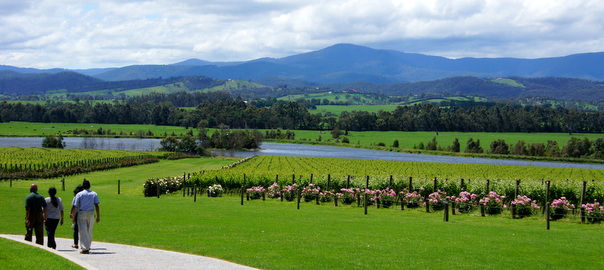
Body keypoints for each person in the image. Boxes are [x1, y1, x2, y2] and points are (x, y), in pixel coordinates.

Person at [71, 180, 100, 254]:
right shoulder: (94, 194)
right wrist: (98, 216)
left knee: (83, 230)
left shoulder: (79, 194)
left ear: (83, 187)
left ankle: (85, 248)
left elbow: (75, 205)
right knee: (89, 230)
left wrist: (72, 213)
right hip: (91, 213)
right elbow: (96, 205)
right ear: (89, 186)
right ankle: (88, 245)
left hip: (82, 212)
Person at [70, 185, 84, 249]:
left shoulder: (76, 197)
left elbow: (74, 206)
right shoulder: (85, 196)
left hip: (77, 213)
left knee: (76, 229)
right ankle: (84, 243)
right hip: (84, 212)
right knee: (84, 229)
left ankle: (76, 243)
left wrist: (72, 214)